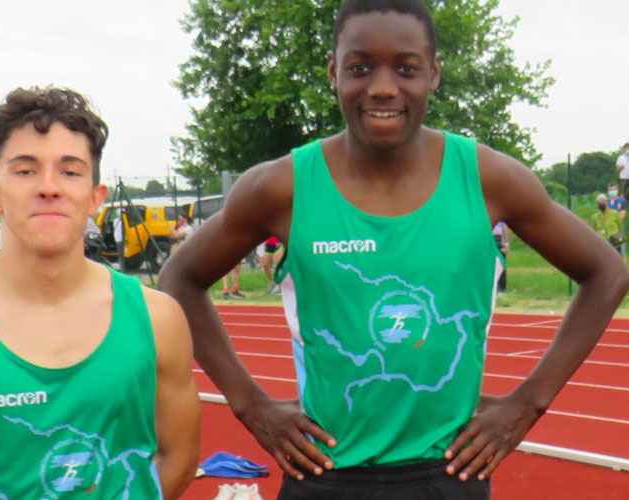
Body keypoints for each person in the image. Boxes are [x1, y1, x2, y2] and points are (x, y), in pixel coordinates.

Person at [158, 1, 629, 498]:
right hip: (325, 474)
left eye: (406, 68)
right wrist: (250, 405)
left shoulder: (488, 179)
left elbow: (607, 271)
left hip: (448, 476)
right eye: (360, 67)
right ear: (333, 72)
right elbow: (179, 279)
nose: (383, 88)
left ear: (434, 74)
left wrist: (528, 403)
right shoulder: (281, 187)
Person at [0, 87, 200, 499]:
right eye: (25, 171)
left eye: (70, 171)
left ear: (95, 197)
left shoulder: (158, 318)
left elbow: (179, 457)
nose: (49, 187)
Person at [607, 183, 627, 255]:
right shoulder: (606, 201)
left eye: (613, 189)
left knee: (621, 252)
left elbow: (622, 216)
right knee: (608, 252)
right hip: (608, 230)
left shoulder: (622, 201)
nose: (612, 191)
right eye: (610, 190)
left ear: (617, 190)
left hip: (618, 230)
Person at [492, 221, 510, 291]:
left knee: (500, 264)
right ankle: (496, 286)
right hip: (492, 239)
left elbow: (505, 229)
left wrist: (506, 244)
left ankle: (502, 287)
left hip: (498, 240)